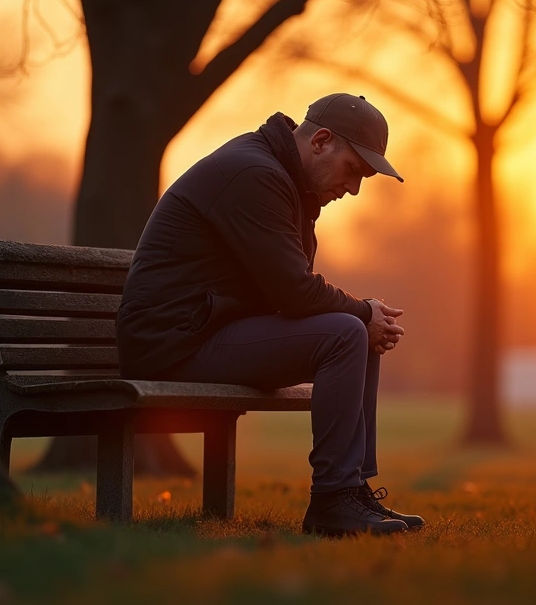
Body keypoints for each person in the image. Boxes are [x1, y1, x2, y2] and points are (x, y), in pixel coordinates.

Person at [116, 93, 425, 536]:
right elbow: (295, 292)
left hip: (207, 330)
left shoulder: (288, 183)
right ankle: (333, 501)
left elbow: (288, 291)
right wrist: (362, 311)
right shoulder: (254, 174)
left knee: (356, 328)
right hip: (172, 343)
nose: (355, 188)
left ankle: (353, 491)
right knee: (347, 329)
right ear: (320, 140)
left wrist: (362, 315)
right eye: (354, 170)